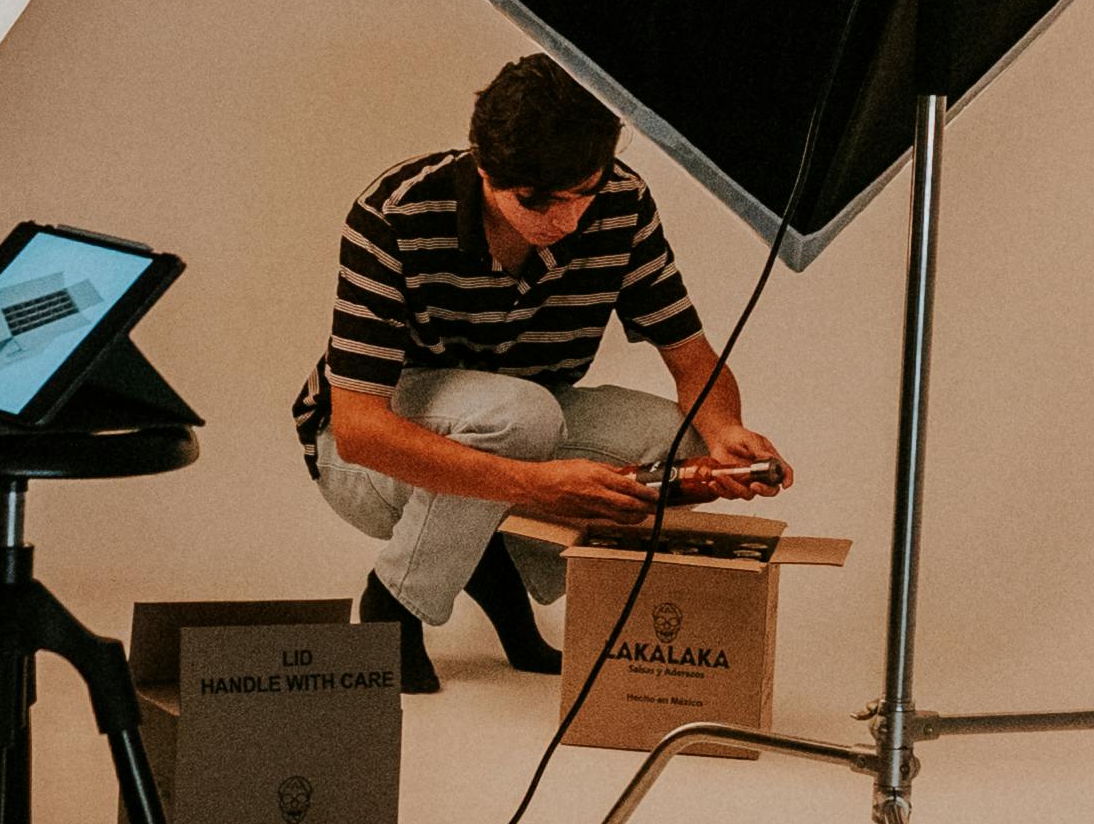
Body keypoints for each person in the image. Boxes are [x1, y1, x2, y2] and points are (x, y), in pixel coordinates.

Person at [300, 54, 787, 689]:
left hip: (523, 417)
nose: (563, 220)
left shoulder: (622, 202)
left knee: (683, 442)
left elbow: (693, 360)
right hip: (364, 455)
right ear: (484, 167)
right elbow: (361, 428)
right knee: (522, 417)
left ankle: (480, 544)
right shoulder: (396, 212)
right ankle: (394, 598)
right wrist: (536, 486)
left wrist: (725, 433)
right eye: (534, 200)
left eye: (582, 193)